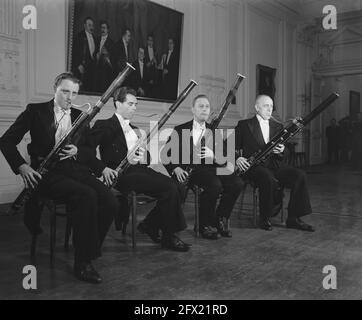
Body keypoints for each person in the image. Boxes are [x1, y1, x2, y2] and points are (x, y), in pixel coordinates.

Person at [0, 73, 119, 284]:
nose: (70, 97)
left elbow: (88, 151)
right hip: (47, 174)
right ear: (55, 88)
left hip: (75, 169)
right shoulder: (35, 111)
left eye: (74, 93)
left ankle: (89, 246)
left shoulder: (80, 116)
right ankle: (83, 262)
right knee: (86, 195)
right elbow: (6, 141)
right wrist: (22, 166)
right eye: (65, 91)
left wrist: (80, 154)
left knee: (110, 201)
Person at [89, 87, 190, 252]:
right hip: (121, 175)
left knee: (180, 188)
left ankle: (150, 224)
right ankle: (169, 236)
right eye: (130, 104)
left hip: (140, 172)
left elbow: (148, 159)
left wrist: (142, 151)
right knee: (170, 187)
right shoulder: (104, 125)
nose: (134, 108)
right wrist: (102, 169)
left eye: (135, 104)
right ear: (117, 103)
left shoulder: (134, 128)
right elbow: (88, 150)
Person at [162, 94, 244, 239]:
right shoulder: (180, 129)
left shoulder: (213, 130)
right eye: (201, 106)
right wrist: (176, 168)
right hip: (193, 171)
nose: (205, 109)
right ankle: (203, 225)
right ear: (193, 109)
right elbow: (165, 153)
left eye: (207, 107)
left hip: (211, 168)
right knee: (214, 185)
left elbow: (226, 155)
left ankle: (219, 218)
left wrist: (213, 156)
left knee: (237, 183)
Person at [234, 95, 315, 232]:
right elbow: (228, 146)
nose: (270, 109)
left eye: (271, 106)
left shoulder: (277, 126)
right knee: (266, 177)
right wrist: (238, 158)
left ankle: (293, 218)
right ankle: (264, 217)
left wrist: (282, 150)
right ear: (257, 107)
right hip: (254, 168)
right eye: (266, 106)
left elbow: (287, 152)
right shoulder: (244, 125)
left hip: (274, 166)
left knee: (299, 175)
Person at [72, 17, 97, 92]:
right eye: (89, 25)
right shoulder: (79, 36)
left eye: (92, 25)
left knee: (89, 88)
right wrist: (78, 65)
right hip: (81, 68)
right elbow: (74, 51)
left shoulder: (94, 37)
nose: (91, 27)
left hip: (91, 68)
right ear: (84, 25)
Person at [95, 21, 115, 92]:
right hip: (96, 72)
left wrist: (107, 54)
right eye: (101, 28)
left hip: (106, 74)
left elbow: (113, 60)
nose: (102, 29)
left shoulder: (112, 43)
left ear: (108, 30)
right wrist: (96, 56)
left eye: (104, 28)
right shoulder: (96, 40)